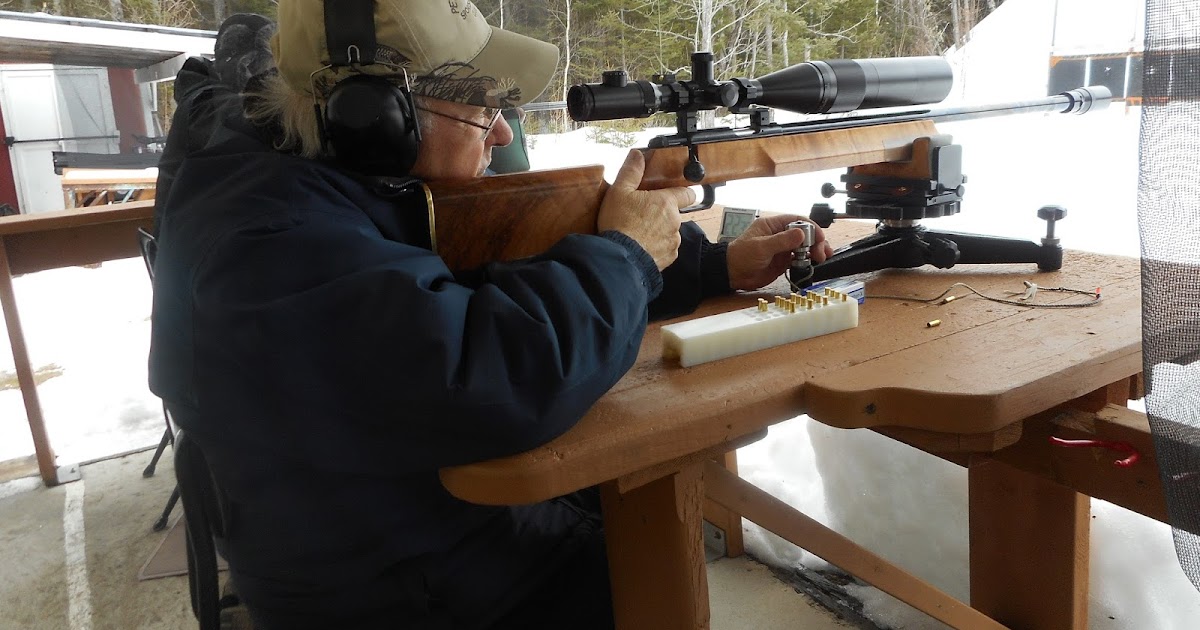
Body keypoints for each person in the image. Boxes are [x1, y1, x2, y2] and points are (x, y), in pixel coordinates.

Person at [148, 1, 833, 629]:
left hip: (417, 525)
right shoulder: (266, 244)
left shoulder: (330, 181)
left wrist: (707, 266)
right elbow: (491, 374)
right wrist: (624, 256)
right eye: (480, 108)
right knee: (657, 574)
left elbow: (488, 278)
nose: (502, 129)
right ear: (375, 115)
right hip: (392, 586)